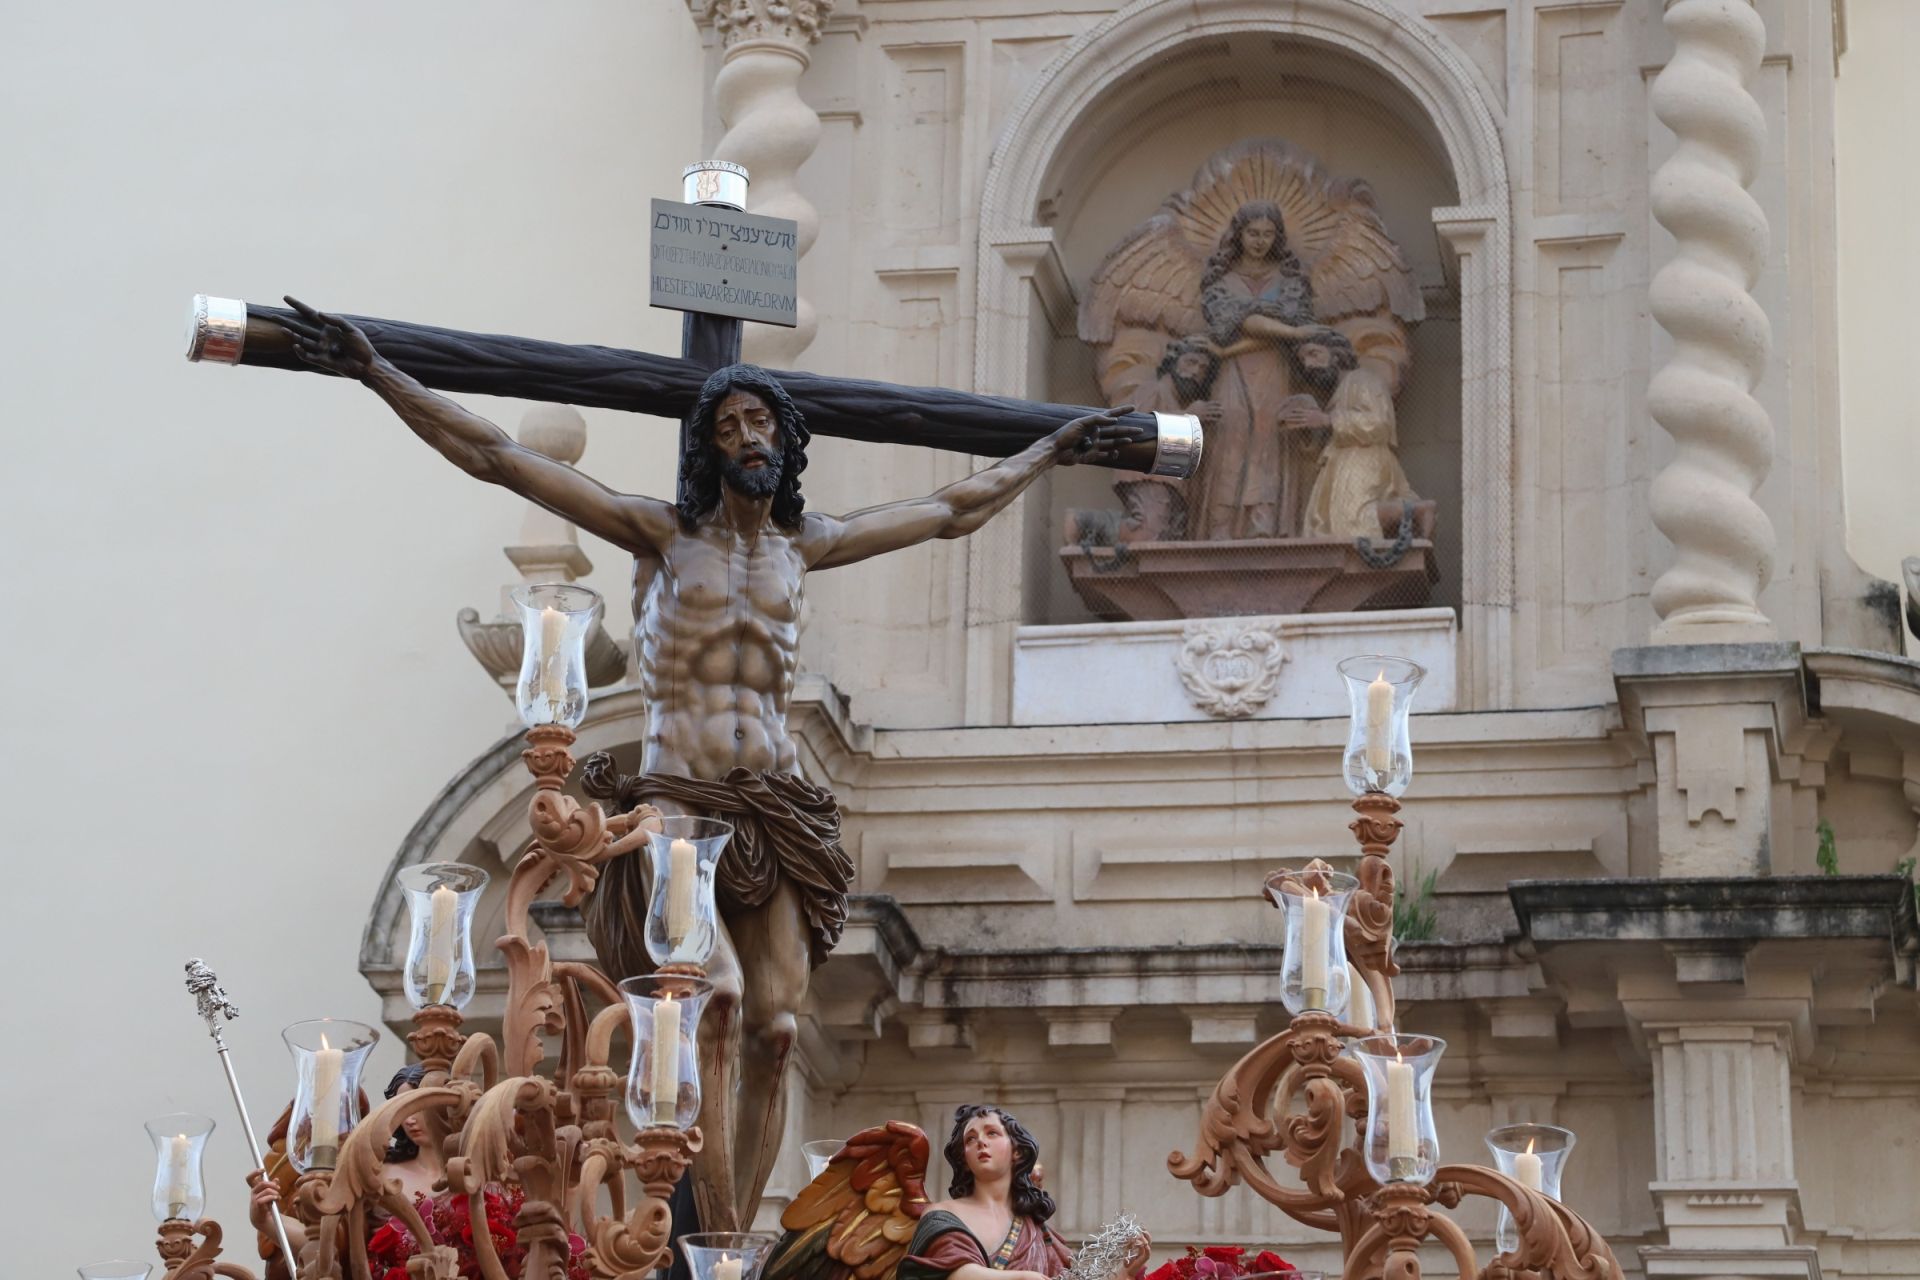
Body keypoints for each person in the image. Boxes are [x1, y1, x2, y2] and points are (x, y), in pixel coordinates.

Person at [272, 297, 1141, 1232]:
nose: (746, 436)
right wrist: (378, 372)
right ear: (708, 448)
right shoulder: (660, 534)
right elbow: (495, 455)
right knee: (716, 996)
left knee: (773, 1027)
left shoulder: (806, 546)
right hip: (678, 805)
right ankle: (702, 1237)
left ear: (785, 438)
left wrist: (1051, 449)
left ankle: (729, 1233)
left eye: (760, 422)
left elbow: (949, 511)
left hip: (774, 806)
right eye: (727, 426)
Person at [1190, 202, 1352, 539]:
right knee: (1230, 440)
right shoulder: (1221, 282)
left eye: (1268, 234)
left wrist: (1236, 343)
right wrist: (1288, 333)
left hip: (1275, 373)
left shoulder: (1291, 282)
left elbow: (1280, 326)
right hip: (1230, 375)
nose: (1260, 241)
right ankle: (1220, 531)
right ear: (1239, 234)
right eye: (1253, 233)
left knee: (1268, 440)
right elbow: (1225, 326)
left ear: (1277, 237)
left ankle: (1262, 527)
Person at [245, 1066, 445, 1275]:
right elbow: (330, 1245)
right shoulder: (375, 1172)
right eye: (404, 1108)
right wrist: (268, 1220)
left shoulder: (472, 1171)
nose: (410, 1119)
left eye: (419, 1106)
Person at [899, 1106, 1073, 1280]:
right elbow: (951, 1275)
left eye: (992, 1133)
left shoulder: (1038, 1232)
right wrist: (1020, 1278)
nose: (981, 1141)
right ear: (964, 1160)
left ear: (1017, 1151)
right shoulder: (943, 1215)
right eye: (970, 1139)